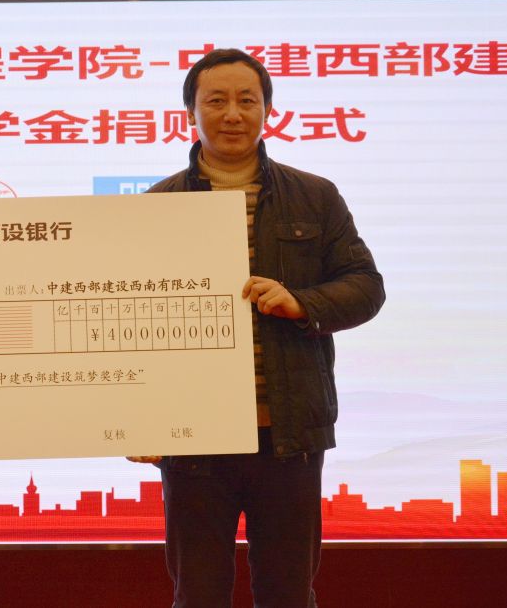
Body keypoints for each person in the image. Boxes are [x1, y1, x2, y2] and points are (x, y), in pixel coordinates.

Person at [130, 49, 385, 607]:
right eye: (215, 101)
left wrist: (301, 302)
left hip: (288, 436)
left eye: (247, 100)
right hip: (195, 439)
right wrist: (139, 419)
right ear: (190, 112)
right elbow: (134, 322)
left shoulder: (315, 196)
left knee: (288, 592)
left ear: (268, 110)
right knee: (197, 594)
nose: (232, 114)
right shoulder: (157, 205)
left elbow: (367, 288)